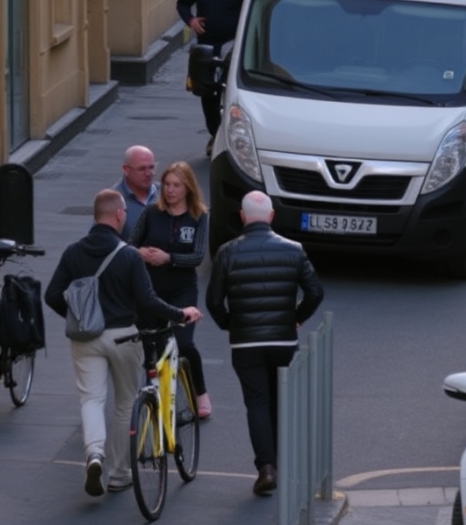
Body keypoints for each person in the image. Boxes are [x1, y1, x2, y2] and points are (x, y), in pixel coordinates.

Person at [45, 190, 202, 498]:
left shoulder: (73, 252)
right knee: (124, 404)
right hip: (124, 336)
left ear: (94, 216)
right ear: (119, 215)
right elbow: (147, 300)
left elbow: (52, 294)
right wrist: (179, 314)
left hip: (85, 338)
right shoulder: (128, 254)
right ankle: (119, 473)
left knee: (91, 399)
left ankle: (94, 455)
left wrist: (76, 315)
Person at [206, 191, 324, 496]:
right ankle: (282, 462)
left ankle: (266, 468)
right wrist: (296, 318)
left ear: (243, 217)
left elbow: (213, 301)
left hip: (246, 343)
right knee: (281, 400)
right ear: (271, 216)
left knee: (257, 403)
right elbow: (315, 292)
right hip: (283, 339)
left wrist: (230, 324)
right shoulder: (294, 250)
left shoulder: (227, 252)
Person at [129, 162, 213, 418]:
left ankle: (200, 393)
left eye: (176, 185)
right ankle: (154, 394)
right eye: (166, 185)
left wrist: (169, 258)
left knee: (184, 343)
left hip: (181, 290)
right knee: (149, 342)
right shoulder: (152, 213)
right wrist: (140, 253)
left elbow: (198, 256)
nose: (170, 190)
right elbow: (130, 244)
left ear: (188, 188)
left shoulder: (199, 217)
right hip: (151, 290)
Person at [176, 0, 250, 157]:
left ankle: (230, 136)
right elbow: (182, 3)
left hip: (233, 47)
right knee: (206, 92)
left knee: (231, 93)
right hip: (206, 47)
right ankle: (215, 134)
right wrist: (191, 20)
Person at [115, 145, 159, 238]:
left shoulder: (166, 193)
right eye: (141, 169)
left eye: (151, 167)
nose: (148, 174)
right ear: (126, 169)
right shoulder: (112, 199)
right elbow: (100, 241)